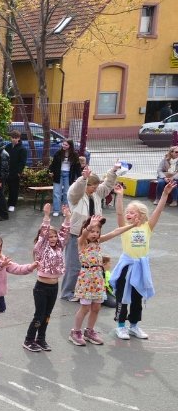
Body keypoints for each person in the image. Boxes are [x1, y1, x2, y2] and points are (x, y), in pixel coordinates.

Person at [110, 180, 175, 340]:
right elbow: (119, 213)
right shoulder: (125, 227)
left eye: (132, 212)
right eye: (128, 212)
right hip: (127, 266)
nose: (128, 214)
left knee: (137, 298)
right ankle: (120, 326)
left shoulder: (147, 227)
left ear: (141, 215)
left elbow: (158, 212)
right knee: (123, 297)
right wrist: (119, 196)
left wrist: (165, 194)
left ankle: (134, 326)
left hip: (141, 268)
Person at [69, 214, 134, 346]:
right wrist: (90, 226)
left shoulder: (98, 242)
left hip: (98, 278)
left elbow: (115, 232)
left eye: (97, 231)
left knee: (96, 307)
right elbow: (84, 234)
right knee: (85, 307)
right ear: (85, 230)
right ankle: (75, 332)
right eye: (92, 231)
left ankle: (89, 331)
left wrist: (132, 225)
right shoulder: (81, 242)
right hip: (86, 278)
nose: (94, 234)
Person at [60, 164, 119, 301]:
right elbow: (76, 190)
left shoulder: (96, 194)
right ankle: (67, 292)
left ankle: (81, 291)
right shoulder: (76, 196)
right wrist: (83, 178)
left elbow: (108, 186)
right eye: (93, 186)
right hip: (77, 234)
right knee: (73, 265)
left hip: (92, 235)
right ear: (87, 185)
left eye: (97, 186)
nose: (96, 188)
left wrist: (113, 171)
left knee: (88, 264)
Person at [23, 204, 71, 352]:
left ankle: (41, 339)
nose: (53, 238)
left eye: (54, 236)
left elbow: (65, 233)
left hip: (54, 286)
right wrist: (46, 215)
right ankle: (29, 339)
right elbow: (44, 232)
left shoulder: (59, 246)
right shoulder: (41, 247)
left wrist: (68, 217)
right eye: (50, 236)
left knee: (47, 315)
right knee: (39, 315)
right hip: (41, 287)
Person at [49, 140, 82, 217]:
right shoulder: (58, 153)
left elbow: (77, 167)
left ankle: (65, 210)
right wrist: (50, 171)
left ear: (70, 146)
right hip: (58, 174)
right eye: (63, 144)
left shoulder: (74, 155)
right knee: (56, 193)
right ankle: (56, 210)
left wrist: (79, 177)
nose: (64, 146)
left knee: (67, 193)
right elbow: (53, 164)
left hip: (68, 175)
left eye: (66, 145)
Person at [3, 130, 28, 214]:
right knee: (4, 188)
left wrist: (18, 172)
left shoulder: (22, 149)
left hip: (15, 172)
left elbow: (22, 162)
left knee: (14, 189)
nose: (13, 139)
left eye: (15, 138)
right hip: (6, 171)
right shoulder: (8, 147)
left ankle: (12, 204)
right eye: (12, 137)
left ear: (19, 138)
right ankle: (4, 204)